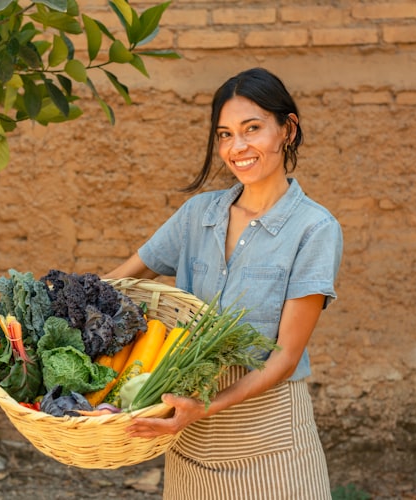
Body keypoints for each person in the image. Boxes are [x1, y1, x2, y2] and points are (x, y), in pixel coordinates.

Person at [102, 67, 343, 499]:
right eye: (225, 134)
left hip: (271, 447)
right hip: (190, 442)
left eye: (252, 129)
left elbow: (284, 358)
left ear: (288, 129)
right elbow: (122, 280)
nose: (238, 147)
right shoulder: (198, 216)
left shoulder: (314, 229)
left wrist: (207, 405)